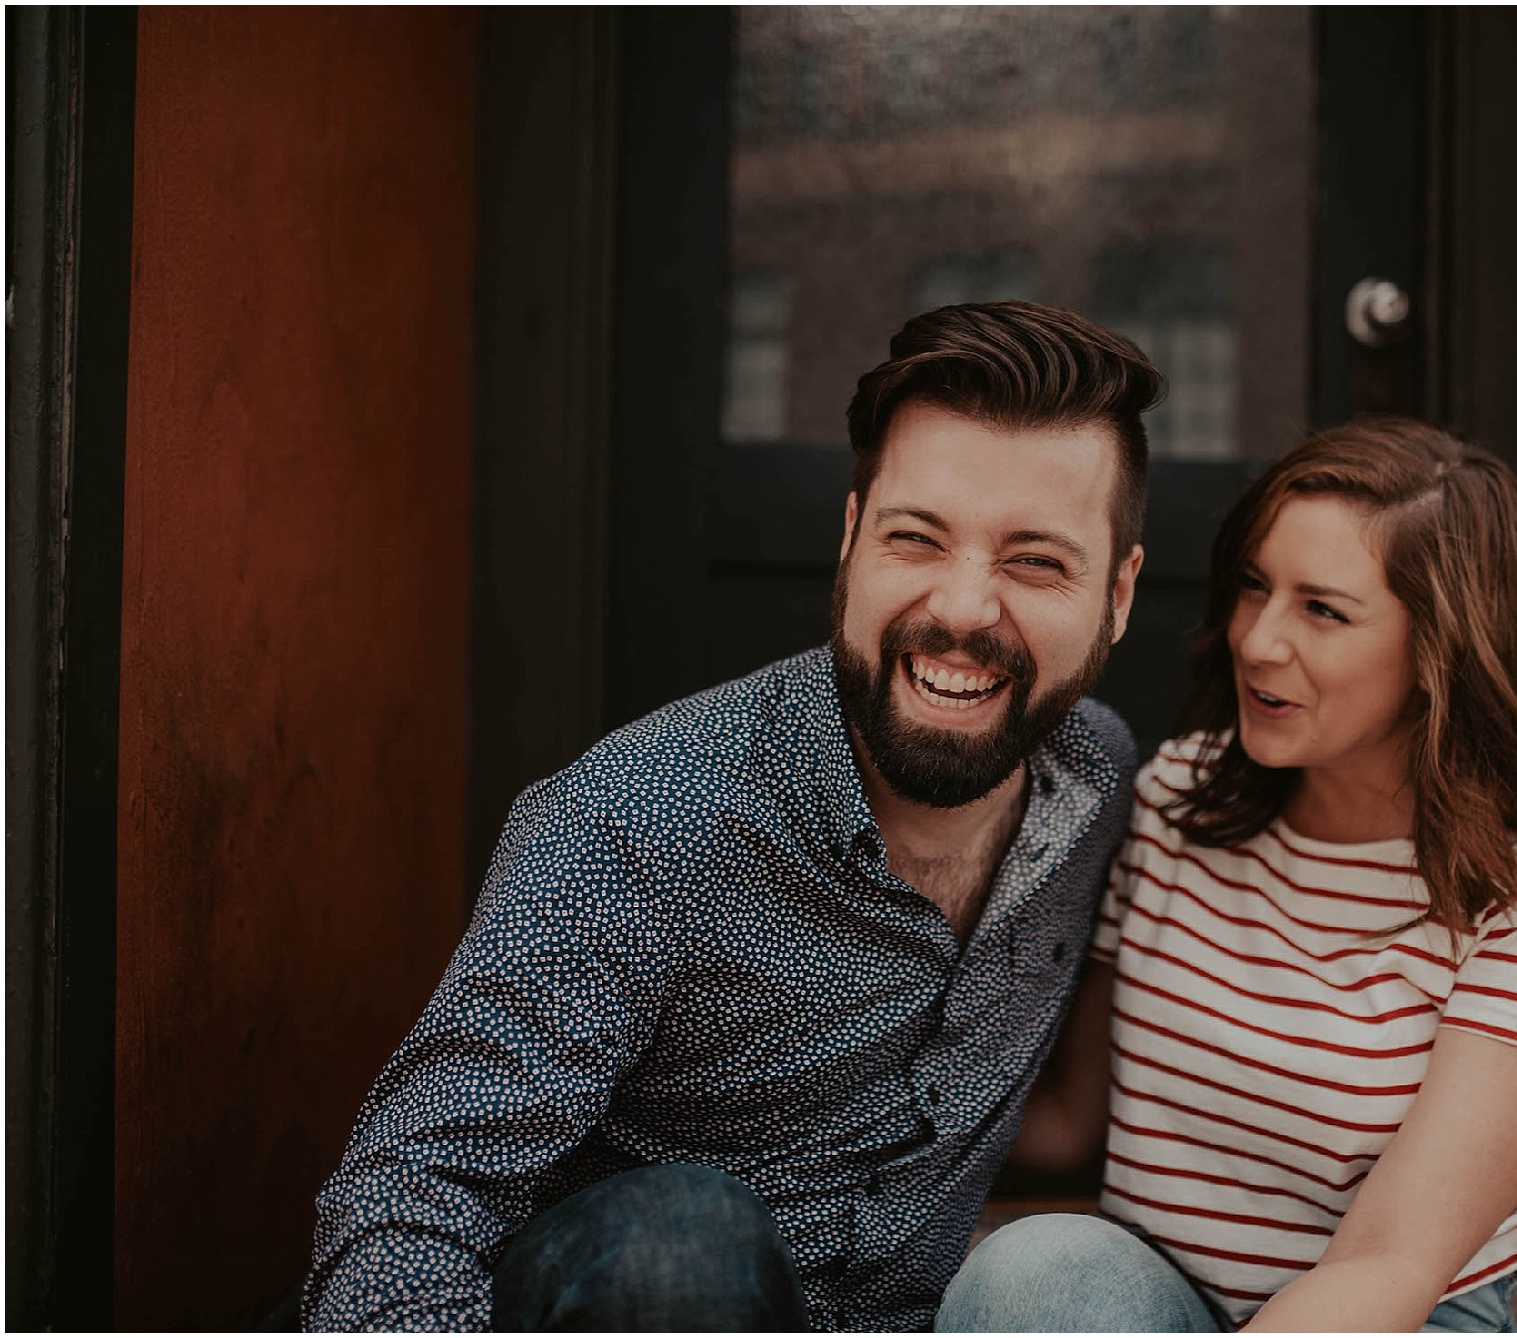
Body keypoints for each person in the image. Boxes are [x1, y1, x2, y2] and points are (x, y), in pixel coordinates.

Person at [302, 302, 1159, 1332]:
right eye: (915, 539)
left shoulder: (1096, 778)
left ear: (1116, 596)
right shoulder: (638, 825)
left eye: (1034, 562)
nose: (964, 610)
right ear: (850, 540)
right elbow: (409, 1200)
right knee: (683, 1247)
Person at [938, 418, 1517, 1333]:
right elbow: (1079, 1119)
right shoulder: (1179, 800)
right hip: (1166, 1293)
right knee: (1037, 1271)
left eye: (1323, 609)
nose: (1259, 641)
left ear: (1443, 655)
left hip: (1394, 1311)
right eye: (1253, 588)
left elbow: (1389, 1266)